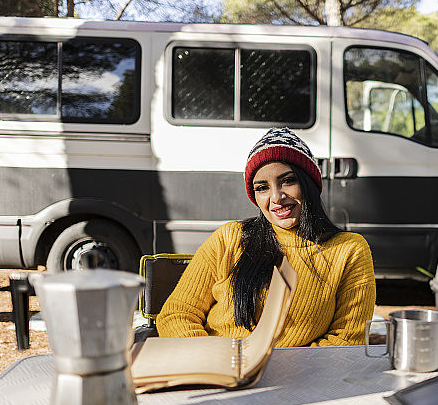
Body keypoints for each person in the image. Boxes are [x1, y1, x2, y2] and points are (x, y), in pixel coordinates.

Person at [156, 128, 376, 346]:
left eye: (288, 181)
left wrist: (283, 369)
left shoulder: (350, 249)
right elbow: (176, 315)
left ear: (308, 183)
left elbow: (347, 338)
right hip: (218, 371)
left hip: (298, 378)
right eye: (262, 187)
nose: (276, 197)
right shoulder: (229, 238)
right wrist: (215, 361)